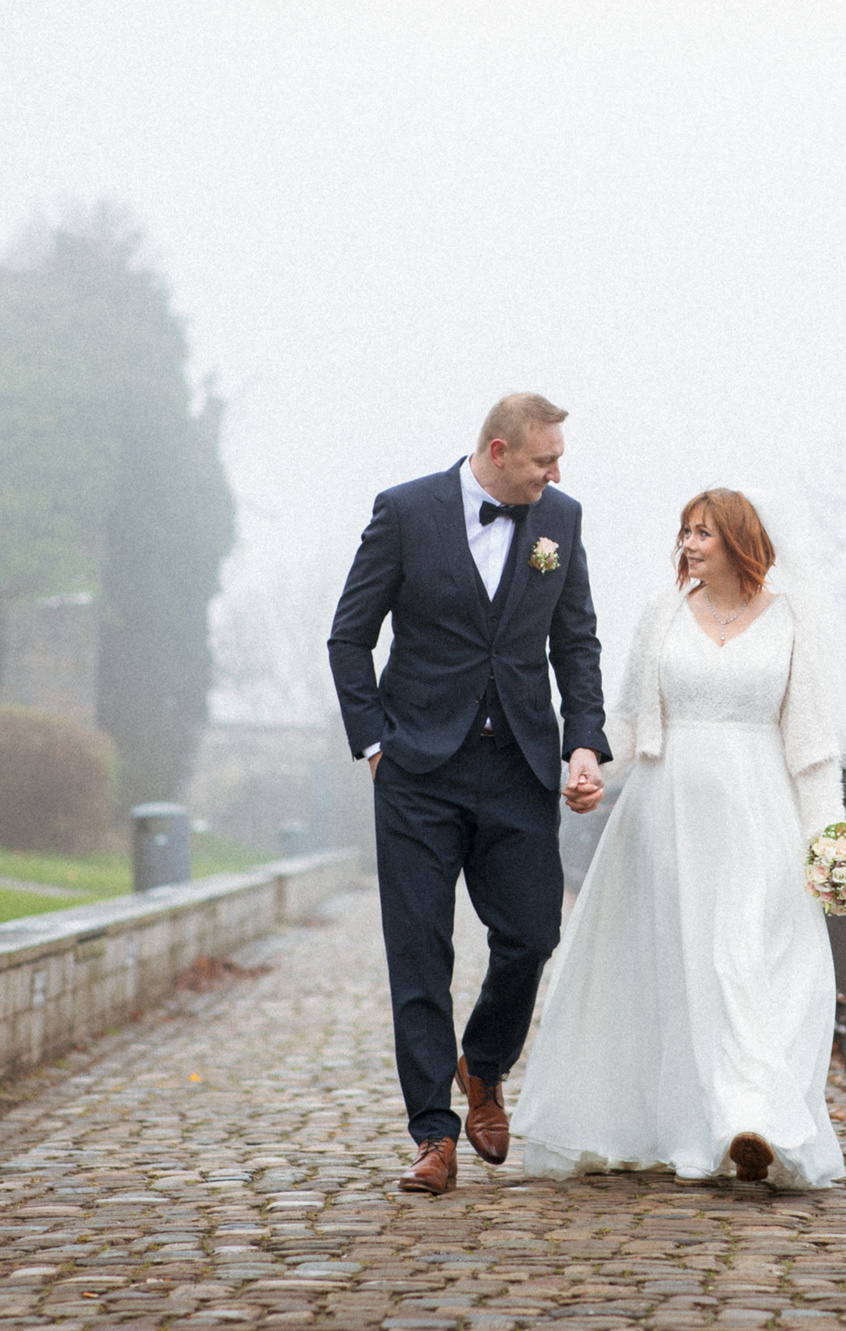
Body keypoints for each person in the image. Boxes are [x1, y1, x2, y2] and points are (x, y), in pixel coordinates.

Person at [514, 487, 846, 1188]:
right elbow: (633, 720)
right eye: (686, 531)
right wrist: (588, 769)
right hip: (666, 818)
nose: (690, 543)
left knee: (748, 962)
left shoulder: (793, 620)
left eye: (705, 532)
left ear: (739, 540)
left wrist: (831, 840)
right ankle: (700, 1120)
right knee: (686, 969)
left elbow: (812, 745)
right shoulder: (662, 615)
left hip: (760, 816)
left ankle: (750, 1120)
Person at [326, 392, 609, 1195]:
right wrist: (374, 742)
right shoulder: (406, 511)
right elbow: (351, 633)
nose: (556, 473)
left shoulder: (561, 518)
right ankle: (432, 1134)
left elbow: (576, 640)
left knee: (530, 933)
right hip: (417, 771)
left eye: (558, 461)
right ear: (496, 450)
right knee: (419, 949)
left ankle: (482, 1065)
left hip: (518, 763)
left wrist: (582, 741)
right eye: (543, 460)